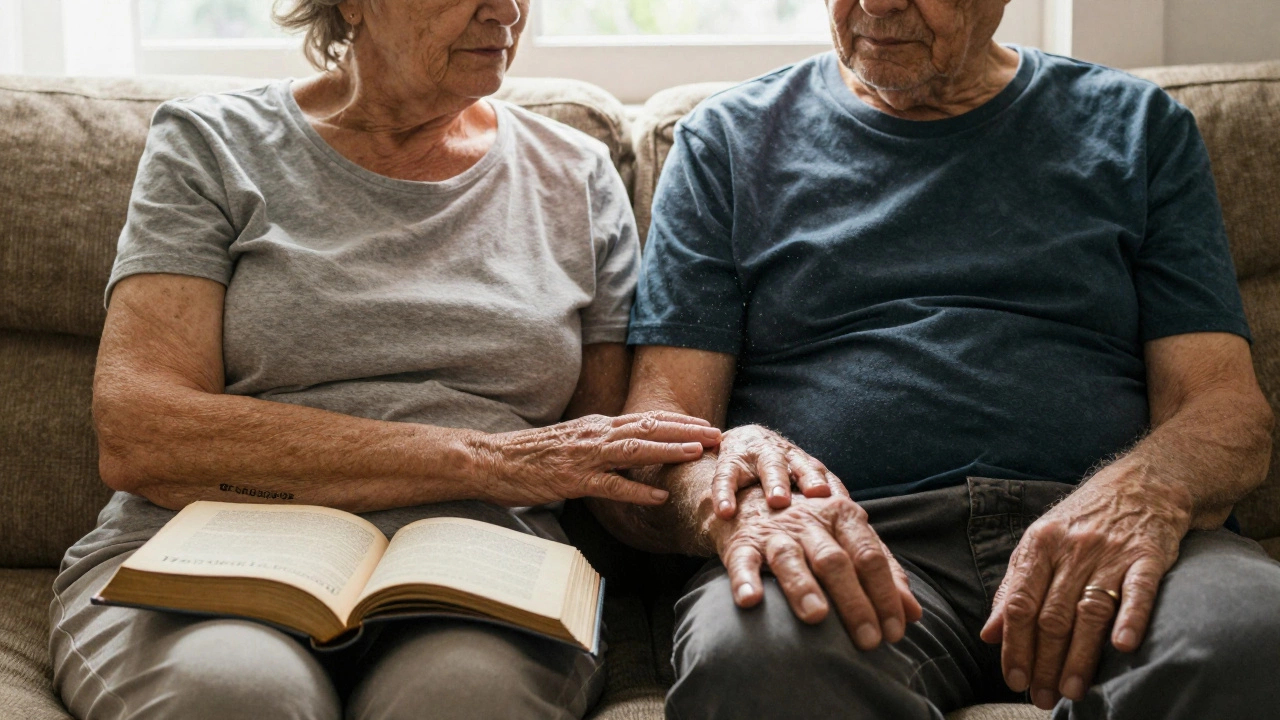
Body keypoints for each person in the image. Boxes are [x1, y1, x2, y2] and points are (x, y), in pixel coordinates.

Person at [586, 0, 1280, 717]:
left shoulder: (1139, 128)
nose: (878, 4)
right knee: (756, 661)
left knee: (1249, 641)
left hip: (1100, 530)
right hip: (847, 537)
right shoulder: (727, 141)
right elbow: (660, 426)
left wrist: (1142, 493)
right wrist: (734, 500)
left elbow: (1224, 406)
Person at [48, 1, 720, 718]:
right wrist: (483, 460)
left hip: (480, 568)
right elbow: (141, 429)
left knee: (462, 702)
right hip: (206, 549)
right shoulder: (212, 143)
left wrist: (732, 476)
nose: (508, 11)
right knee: (240, 697)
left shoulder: (577, 175)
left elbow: (603, 450)